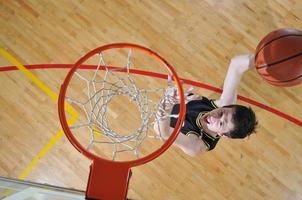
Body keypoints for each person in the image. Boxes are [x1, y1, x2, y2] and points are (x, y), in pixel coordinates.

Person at [154, 54, 258, 156]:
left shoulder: (197, 146)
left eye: (221, 124)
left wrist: (167, 103)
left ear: (222, 134)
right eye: (221, 113)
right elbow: (236, 64)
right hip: (180, 101)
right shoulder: (226, 104)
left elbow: (164, 133)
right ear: (224, 107)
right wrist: (262, 58)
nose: (214, 118)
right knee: (196, 95)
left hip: (163, 119)